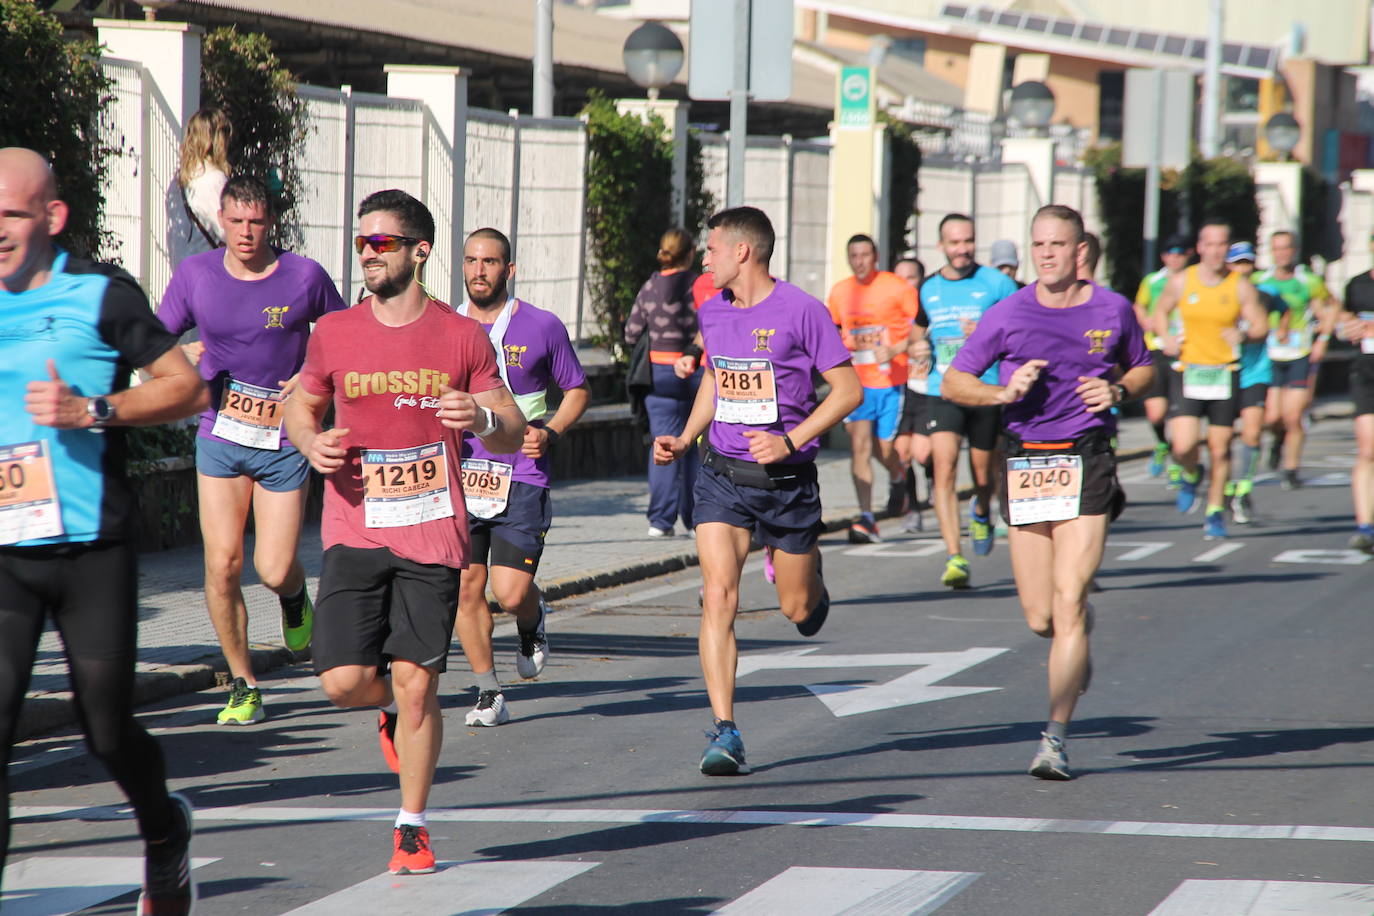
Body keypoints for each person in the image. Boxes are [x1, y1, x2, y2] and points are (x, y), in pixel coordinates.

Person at [284, 189, 525, 874]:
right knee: (341, 681)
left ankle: (412, 825)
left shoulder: (461, 336)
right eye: (361, 242)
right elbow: (298, 407)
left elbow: (510, 429)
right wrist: (310, 443)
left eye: (381, 242)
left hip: (432, 531)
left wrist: (479, 421)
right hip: (355, 527)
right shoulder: (334, 331)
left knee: (420, 682)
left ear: (420, 250)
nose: (367, 253)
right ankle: (385, 708)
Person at [0, 147, 208, 911]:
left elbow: (186, 386)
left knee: (107, 730)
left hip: (90, 546)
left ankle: (163, 832)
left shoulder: (100, 295)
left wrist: (95, 410)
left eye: (11, 215)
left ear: (51, 217)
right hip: (4, 554)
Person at [942, 204, 1153, 781]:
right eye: (1039, 246)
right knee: (1042, 617)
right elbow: (954, 380)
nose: (1047, 255)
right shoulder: (1008, 312)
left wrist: (1117, 389)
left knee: (1065, 599)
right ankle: (1076, 626)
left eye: (1057, 245)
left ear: (1079, 249)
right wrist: (1003, 392)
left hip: (1087, 460)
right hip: (1027, 463)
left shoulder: (1113, 309)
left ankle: (1054, 739)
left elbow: (1144, 368)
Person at [654, 206, 860, 776]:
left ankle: (807, 578)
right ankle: (725, 730)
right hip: (722, 475)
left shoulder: (803, 311)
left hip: (787, 480)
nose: (706, 257)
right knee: (718, 596)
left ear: (743, 251)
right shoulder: (713, 311)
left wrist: (790, 441)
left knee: (796, 608)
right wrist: (685, 436)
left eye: (714, 248)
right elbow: (717, 382)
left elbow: (847, 392)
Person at [158, 175, 347, 725]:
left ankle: (293, 597)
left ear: (271, 222)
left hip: (285, 439)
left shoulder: (303, 276)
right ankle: (243, 685)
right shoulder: (196, 275)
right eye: (236, 221)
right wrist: (177, 360)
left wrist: (311, 378)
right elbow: (154, 337)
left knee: (272, 565)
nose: (245, 232)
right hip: (221, 433)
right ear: (221, 219)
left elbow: (341, 338)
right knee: (221, 564)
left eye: (256, 222)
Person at [454, 227, 589, 727]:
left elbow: (576, 389)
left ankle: (532, 618)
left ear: (509, 270)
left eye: (489, 262)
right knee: (468, 588)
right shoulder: (444, 325)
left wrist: (550, 430)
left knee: (509, 592)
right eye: (471, 261)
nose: (479, 271)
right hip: (463, 475)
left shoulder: (542, 326)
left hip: (523, 474)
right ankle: (488, 692)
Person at [908, 214, 1018, 588]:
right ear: (941, 246)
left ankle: (983, 508)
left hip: (986, 391)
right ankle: (955, 557)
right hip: (945, 390)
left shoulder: (998, 284)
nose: (962, 249)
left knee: (984, 474)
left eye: (968, 241)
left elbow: (1022, 329)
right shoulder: (928, 288)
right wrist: (916, 345)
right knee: (944, 466)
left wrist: (988, 332)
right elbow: (918, 329)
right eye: (954, 243)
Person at [1153, 220, 1268, 540]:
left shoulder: (1239, 285)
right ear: (1200, 248)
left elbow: (1261, 325)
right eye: (1210, 244)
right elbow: (1159, 311)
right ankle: (1191, 472)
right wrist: (1166, 337)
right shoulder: (1182, 281)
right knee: (1184, 444)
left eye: (1222, 245)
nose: (1216, 251)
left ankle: (1216, 510)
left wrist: (1244, 333)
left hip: (1224, 373)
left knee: (1220, 449)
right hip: (1189, 371)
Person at [826, 234, 918, 542]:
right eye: (854, 255)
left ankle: (897, 475)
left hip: (891, 381)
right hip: (858, 383)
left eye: (865, 255)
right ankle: (867, 517)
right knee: (860, 448)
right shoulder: (840, 292)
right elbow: (833, 329)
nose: (860, 261)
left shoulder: (897, 287)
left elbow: (921, 331)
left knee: (886, 449)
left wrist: (894, 350)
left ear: (875, 256)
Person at [625, 228, 701, 538]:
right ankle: (697, 520)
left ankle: (660, 521)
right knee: (696, 445)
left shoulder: (650, 286)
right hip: (696, 374)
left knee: (663, 445)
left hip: (658, 375)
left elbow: (631, 333)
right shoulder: (699, 286)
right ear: (691, 253)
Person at [1253, 230, 1336, 488]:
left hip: (1299, 353)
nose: (1281, 253)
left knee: (1293, 416)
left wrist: (1322, 339)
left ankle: (1291, 468)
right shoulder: (1259, 280)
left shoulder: (1308, 280)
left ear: (1295, 250)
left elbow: (1331, 307)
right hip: (1269, 355)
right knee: (1271, 417)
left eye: (1286, 248)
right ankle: (1277, 440)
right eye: (1276, 248)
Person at [1223, 242, 1282, 523]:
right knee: (1220, 441)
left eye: (1247, 263)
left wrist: (1283, 330)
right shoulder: (1217, 294)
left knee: (1253, 433)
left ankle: (1243, 491)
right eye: (1237, 263)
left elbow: (1287, 313)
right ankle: (1221, 484)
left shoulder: (1266, 294)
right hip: (1222, 372)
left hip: (1255, 371)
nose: (1242, 269)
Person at [1133, 234, 1193, 479]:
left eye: (1179, 252)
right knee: (1156, 413)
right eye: (1169, 252)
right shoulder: (1153, 280)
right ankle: (1162, 444)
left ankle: (1179, 463)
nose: (1174, 257)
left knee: (1181, 415)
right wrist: (1144, 320)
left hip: (1186, 351)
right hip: (1156, 349)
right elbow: (1139, 305)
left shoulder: (1194, 279)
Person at [1338, 241, 1374, 551]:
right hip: (1366, 373)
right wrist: (1347, 329)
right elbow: (1343, 322)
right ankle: (1365, 527)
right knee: (1367, 449)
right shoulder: (1357, 285)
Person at [893, 256, 933, 532]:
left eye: (911, 277)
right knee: (901, 452)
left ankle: (933, 475)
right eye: (899, 278)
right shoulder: (889, 312)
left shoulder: (931, 309)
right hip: (899, 388)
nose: (905, 284)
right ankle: (914, 508)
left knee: (923, 453)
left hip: (928, 390)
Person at [176, 108, 232, 258]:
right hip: (209, 266)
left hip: (184, 264)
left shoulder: (182, 177)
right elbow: (228, 232)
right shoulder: (215, 179)